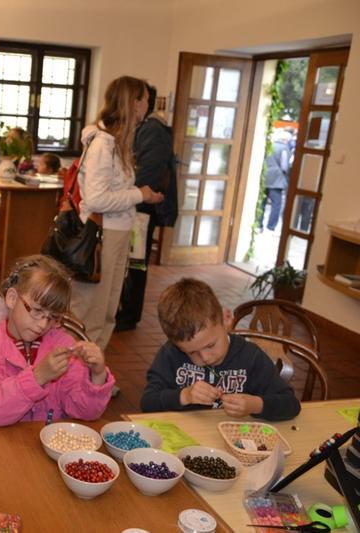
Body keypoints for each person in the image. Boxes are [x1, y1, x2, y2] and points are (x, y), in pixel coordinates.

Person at [69, 76, 164, 352]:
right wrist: (140, 195)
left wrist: (140, 194)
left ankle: (94, 367)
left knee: (108, 311)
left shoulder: (117, 142)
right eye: (145, 99)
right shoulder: (103, 144)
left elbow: (112, 190)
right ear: (133, 103)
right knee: (90, 313)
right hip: (102, 235)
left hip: (117, 233)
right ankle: (78, 370)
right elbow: (96, 199)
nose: (148, 104)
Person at [0, 255, 115, 426]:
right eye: (37, 311)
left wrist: (97, 376)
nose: (43, 324)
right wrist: (38, 377)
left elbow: (85, 412)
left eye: (53, 317)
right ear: (12, 299)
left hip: (45, 439)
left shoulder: (63, 344)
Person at [140, 278, 301, 421]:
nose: (205, 358)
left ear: (226, 319)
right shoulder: (171, 354)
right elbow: (147, 403)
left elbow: (291, 404)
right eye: (192, 352)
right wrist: (184, 396)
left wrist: (255, 405)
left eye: (210, 345)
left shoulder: (251, 357)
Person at [115, 84, 179, 331]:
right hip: (137, 200)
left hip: (143, 206)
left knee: (136, 262)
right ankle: (125, 310)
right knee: (132, 260)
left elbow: (149, 171)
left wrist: (127, 192)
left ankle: (129, 315)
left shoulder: (153, 128)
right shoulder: (146, 126)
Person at [262, 129, 291, 233]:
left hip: (265, 176)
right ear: (286, 139)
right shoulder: (284, 148)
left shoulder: (270, 146)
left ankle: (259, 225)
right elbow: (284, 166)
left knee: (262, 202)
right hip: (277, 180)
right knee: (276, 204)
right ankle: (271, 226)